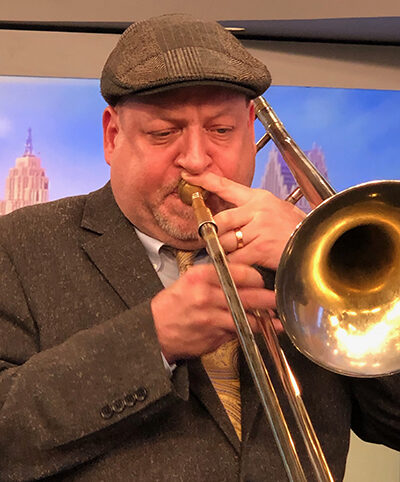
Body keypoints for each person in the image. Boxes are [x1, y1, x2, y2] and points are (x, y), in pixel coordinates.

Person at [0, 13, 399, 482]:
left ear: (252, 127)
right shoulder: (21, 247)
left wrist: (312, 257)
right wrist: (154, 339)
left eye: (221, 131)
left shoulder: (312, 251)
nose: (195, 159)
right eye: (164, 133)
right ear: (113, 136)